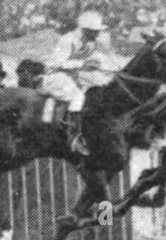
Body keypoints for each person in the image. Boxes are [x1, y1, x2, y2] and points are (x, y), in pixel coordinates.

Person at [43, 10, 116, 154]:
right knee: (78, 96)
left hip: (73, 76)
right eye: (94, 31)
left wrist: (114, 70)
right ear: (85, 29)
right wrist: (81, 65)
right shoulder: (67, 40)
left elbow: (101, 61)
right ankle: (73, 136)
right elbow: (55, 64)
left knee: (102, 84)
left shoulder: (91, 43)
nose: (97, 34)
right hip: (55, 76)